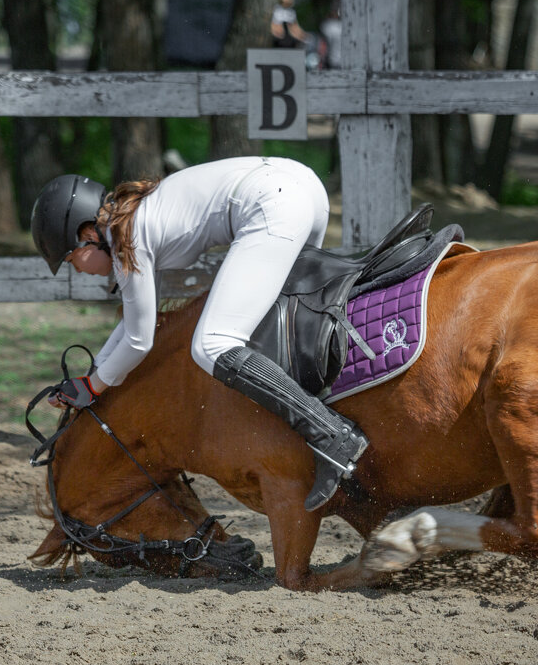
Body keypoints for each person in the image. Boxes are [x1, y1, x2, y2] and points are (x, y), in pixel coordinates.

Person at [29, 159, 369, 511]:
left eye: (71, 260)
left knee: (211, 344)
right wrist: (93, 376)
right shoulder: (135, 222)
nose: (78, 270)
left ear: (87, 235)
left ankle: (332, 436)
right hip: (305, 187)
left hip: (274, 203)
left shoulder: (124, 238)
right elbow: (135, 324)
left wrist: (93, 386)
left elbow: (138, 340)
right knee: (278, 319)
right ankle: (327, 419)